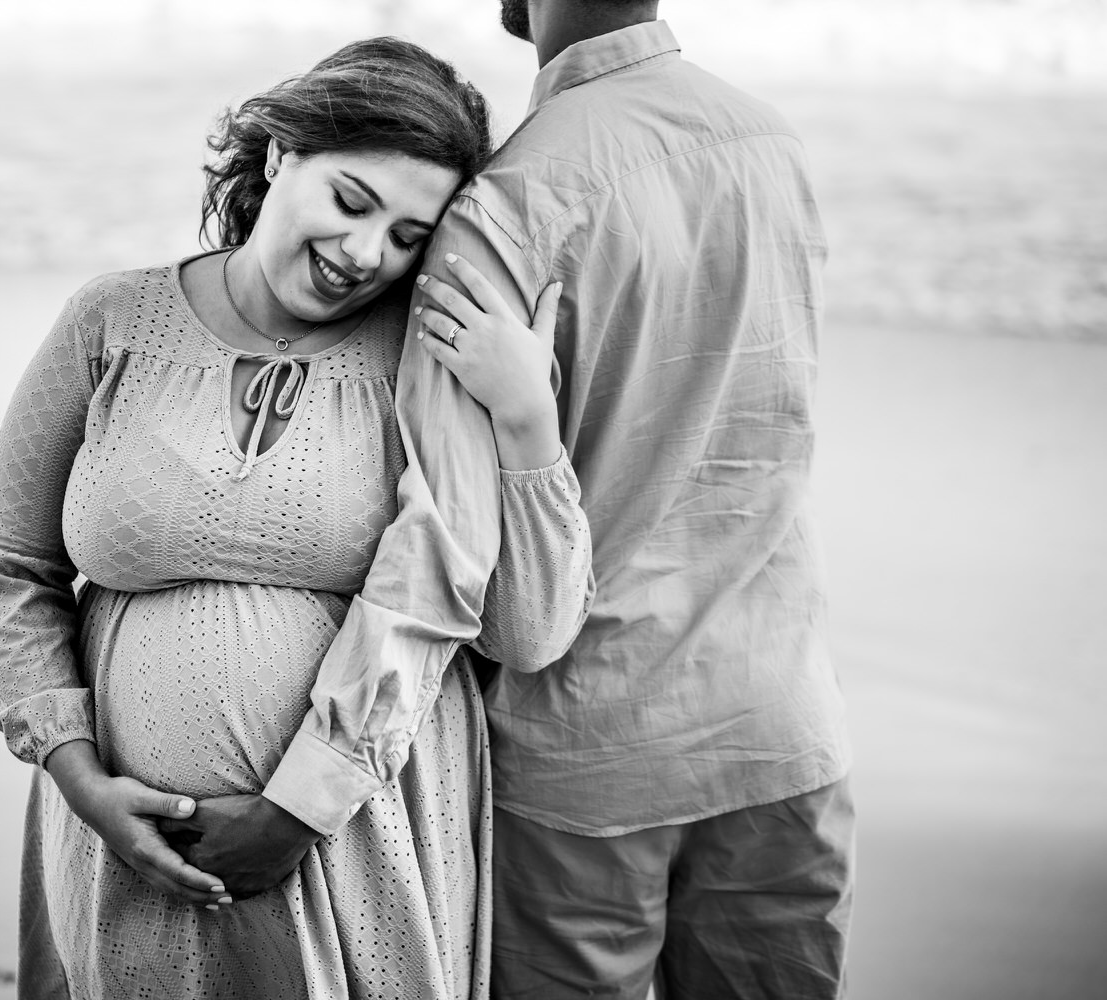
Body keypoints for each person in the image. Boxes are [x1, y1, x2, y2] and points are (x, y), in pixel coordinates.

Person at [196, 2, 855, 998]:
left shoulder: (506, 207)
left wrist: (306, 796)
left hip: (588, 755)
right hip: (785, 728)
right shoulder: (773, 143)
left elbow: (447, 548)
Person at [0, 37, 592, 1000]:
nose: (364, 254)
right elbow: (10, 569)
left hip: (361, 837)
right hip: (124, 838)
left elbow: (527, 629)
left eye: (409, 235)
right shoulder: (112, 323)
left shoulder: (428, 357)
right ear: (278, 156)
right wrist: (79, 777)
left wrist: (527, 422)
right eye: (351, 201)